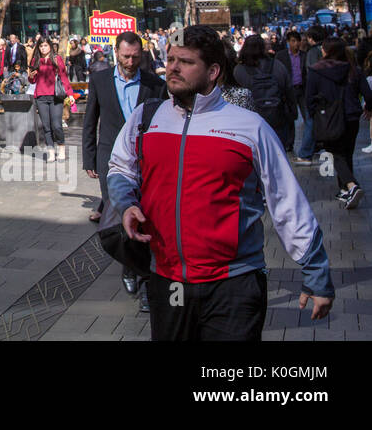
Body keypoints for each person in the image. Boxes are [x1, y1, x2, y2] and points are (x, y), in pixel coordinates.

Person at [109, 25, 334, 340]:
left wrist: (316, 274)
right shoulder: (146, 118)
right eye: (171, 59)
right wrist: (127, 204)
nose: (172, 68)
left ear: (213, 71)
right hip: (167, 281)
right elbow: (120, 167)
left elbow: (286, 200)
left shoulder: (250, 127)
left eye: (185, 62)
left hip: (235, 284)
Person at [82, 31, 166, 308]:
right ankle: (133, 266)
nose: (130, 61)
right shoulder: (100, 80)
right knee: (119, 217)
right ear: (116, 53)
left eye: (135, 56)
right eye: (126, 56)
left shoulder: (154, 83)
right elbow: (90, 121)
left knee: (144, 215)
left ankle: (145, 280)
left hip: (146, 161)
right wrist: (89, 158)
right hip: (110, 161)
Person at [307, 38, 372, 209]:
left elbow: (309, 99)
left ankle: (352, 185)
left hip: (329, 118)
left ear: (326, 51)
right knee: (346, 153)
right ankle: (345, 189)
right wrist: (368, 108)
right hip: (352, 116)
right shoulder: (354, 70)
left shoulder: (316, 71)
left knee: (336, 154)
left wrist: (314, 115)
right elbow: (368, 95)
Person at [234, 34, 294, 154]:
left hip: (251, 124)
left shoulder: (239, 71)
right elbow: (288, 90)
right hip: (277, 118)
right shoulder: (277, 66)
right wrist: (292, 113)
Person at [29, 37, 77, 163]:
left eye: (45, 45)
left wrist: (70, 94)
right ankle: (50, 151)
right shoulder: (35, 60)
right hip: (40, 96)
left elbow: (64, 77)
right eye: (41, 46)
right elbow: (32, 80)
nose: (43, 48)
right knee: (46, 126)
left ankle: (61, 148)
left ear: (50, 46)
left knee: (56, 125)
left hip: (56, 96)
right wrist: (30, 76)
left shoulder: (56, 59)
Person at [276, 31, 313, 164]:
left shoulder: (304, 55)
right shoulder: (281, 56)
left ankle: (310, 145)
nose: (296, 44)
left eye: (297, 41)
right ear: (288, 42)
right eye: (293, 41)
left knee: (308, 117)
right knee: (289, 118)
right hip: (288, 90)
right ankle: (289, 143)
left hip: (302, 89)